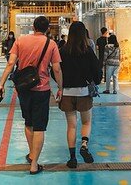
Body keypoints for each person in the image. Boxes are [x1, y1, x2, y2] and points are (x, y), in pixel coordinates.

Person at [0, 16, 63, 175]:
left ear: (33, 27)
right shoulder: (51, 44)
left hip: (24, 88)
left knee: (29, 123)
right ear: (47, 29)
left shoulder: (21, 40)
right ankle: (34, 164)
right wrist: (60, 87)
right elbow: (56, 69)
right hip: (42, 89)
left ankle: (32, 153)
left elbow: (11, 63)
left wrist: (1, 84)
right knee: (40, 127)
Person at [58, 21, 102, 169]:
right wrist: (95, 81)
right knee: (86, 122)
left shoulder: (63, 51)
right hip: (83, 92)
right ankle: (84, 145)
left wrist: (61, 84)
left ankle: (72, 158)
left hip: (67, 93)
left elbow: (55, 70)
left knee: (71, 126)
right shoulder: (88, 51)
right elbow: (97, 70)